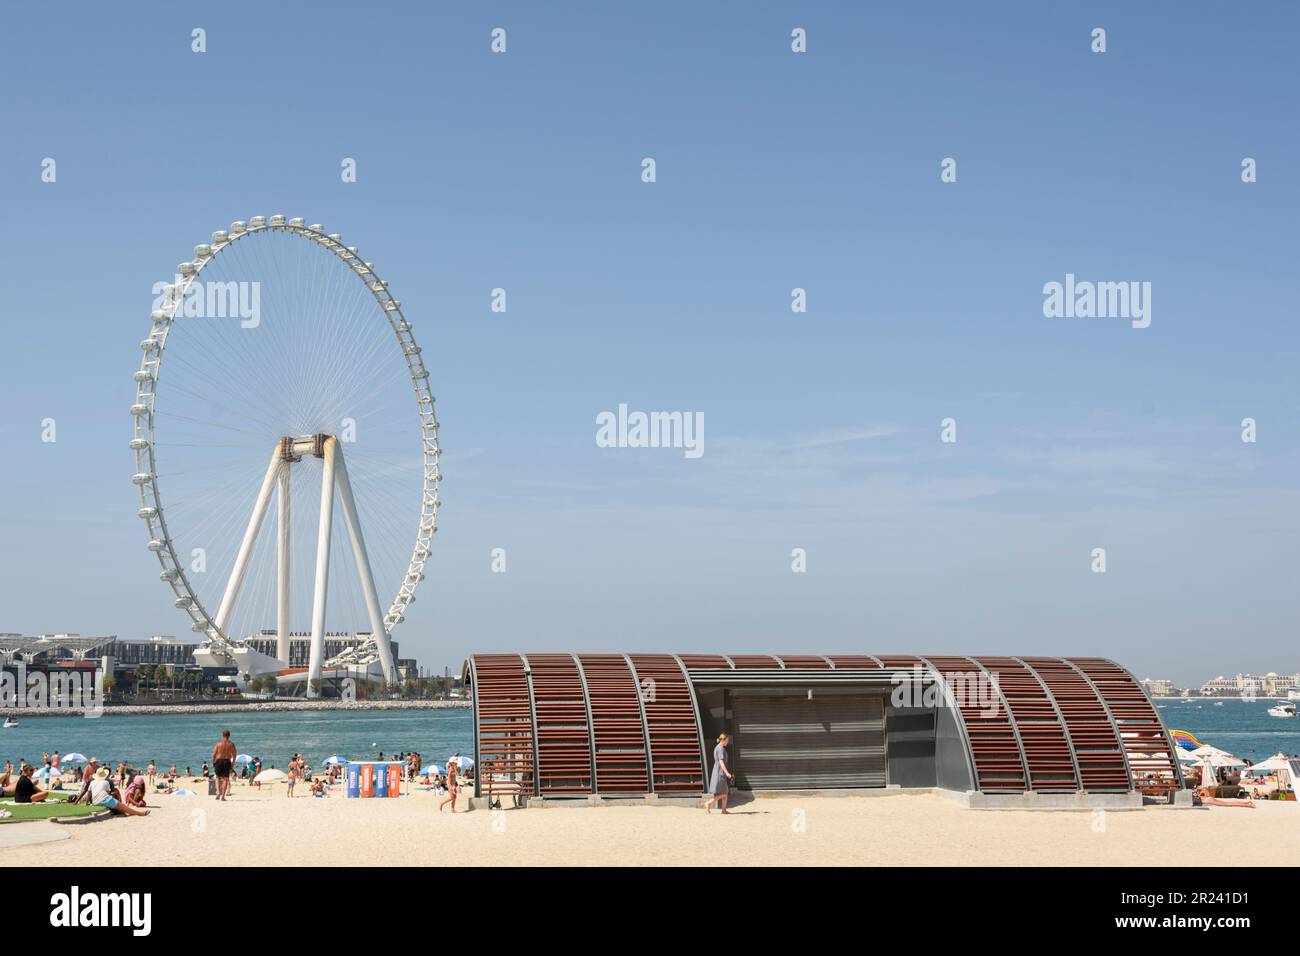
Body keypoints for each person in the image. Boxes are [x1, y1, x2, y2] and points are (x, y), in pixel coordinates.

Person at [703, 733, 734, 814]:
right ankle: (708, 803)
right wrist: (727, 772)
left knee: (725, 792)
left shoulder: (719, 747)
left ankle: (724, 810)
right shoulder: (720, 749)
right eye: (727, 740)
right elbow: (721, 762)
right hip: (720, 772)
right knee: (724, 793)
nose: (728, 742)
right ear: (723, 740)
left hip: (719, 772)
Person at [211, 730, 236, 801]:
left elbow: (214, 754)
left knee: (217, 777)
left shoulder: (218, 744)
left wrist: (213, 762)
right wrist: (233, 763)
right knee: (226, 779)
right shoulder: (231, 744)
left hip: (219, 761)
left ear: (222, 735)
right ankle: (223, 796)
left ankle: (218, 792)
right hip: (227, 761)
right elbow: (234, 754)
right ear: (229, 735)